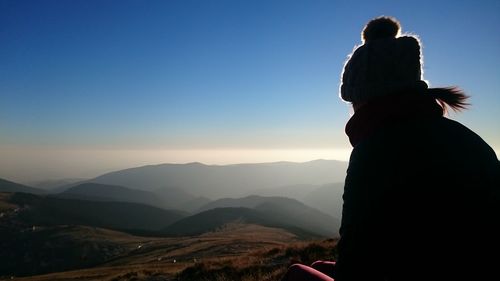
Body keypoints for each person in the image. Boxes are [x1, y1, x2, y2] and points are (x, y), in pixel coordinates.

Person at [281, 16, 499, 281]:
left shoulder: (376, 152)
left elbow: (355, 266)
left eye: (353, 100)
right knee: (319, 265)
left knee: (296, 274)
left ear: (364, 98)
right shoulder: (467, 139)